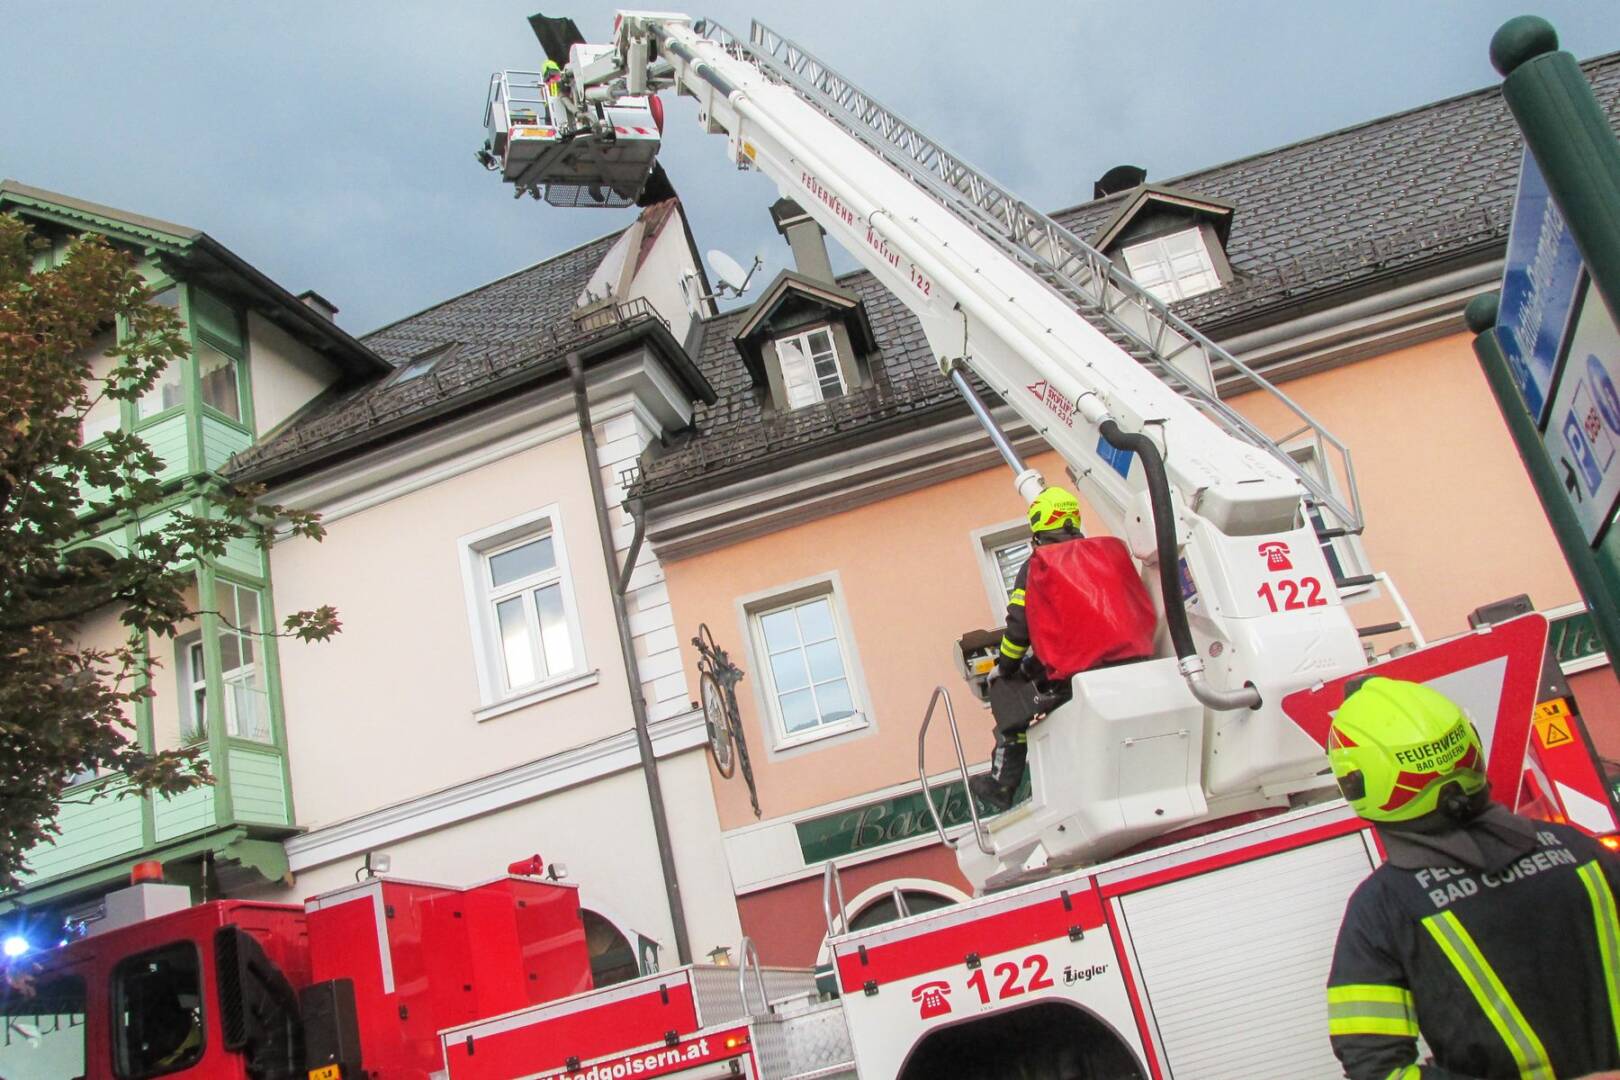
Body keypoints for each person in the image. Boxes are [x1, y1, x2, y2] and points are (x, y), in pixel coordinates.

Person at [1324, 676, 1620, 1080]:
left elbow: (1375, 1069)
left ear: (1356, 782)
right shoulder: (1579, 851)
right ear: (1471, 747)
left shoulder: (1383, 909)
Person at [967, 485, 1084, 813]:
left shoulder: (1038, 565)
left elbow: (1019, 627)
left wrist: (1004, 667)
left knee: (1006, 695)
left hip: (1068, 669)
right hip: (1119, 657)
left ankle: (1002, 783)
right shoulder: (1100, 552)